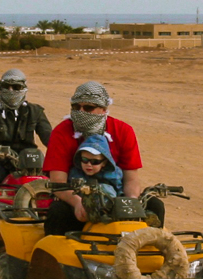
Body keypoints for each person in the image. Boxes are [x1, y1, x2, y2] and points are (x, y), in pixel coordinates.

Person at [42, 81, 147, 236]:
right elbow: (58, 182)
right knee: (58, 212)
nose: (81, 111)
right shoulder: (61, 132)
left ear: (104, 109)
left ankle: (154, 253)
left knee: (155, 206)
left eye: (88, 108)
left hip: (114, 196)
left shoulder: (123, 131)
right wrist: (78, 202)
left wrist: (130, 202)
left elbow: (131, 178)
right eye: (76, 107)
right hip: (76, 195)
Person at [0, 69, 52, 187]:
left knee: (54, 180)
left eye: (16, 87)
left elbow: (48, 135)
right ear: (0, 88)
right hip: (0, 158)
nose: (11, 91)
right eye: (7, 86)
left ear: (23, 88)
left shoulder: (35, 111)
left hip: (29, 158)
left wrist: (58, 148)